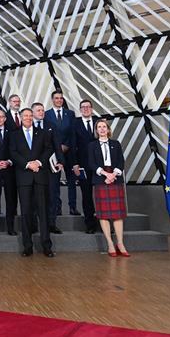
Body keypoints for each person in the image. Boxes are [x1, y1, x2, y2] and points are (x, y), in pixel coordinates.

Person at [11, 107, 55, 257]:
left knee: (43, 212)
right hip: (24, 178)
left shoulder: (42, 133)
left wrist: (38, 162)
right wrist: (28, 164)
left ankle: (46, 246)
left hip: (40, 176)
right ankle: (27, 246)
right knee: (25, 213)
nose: (28, 118)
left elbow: (49, 149)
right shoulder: (14, 134)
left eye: (30, 115)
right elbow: (13, 153)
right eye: (26, 116)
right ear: (21, 117)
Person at [88, 118, 129, 257]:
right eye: (99, 127)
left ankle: (120, 243)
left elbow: (120, 161)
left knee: (118, 215)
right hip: (100, 180)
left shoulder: (115, 144)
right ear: (96, 130)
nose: (102, 129)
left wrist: (113, 175)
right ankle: (110, 244)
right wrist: (105, 174)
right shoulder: (92, 145)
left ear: (108, 129)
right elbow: (91, 163)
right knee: (103, 214)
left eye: (104, 126)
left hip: (115, 180)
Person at [44, 90, 75, 223]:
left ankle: (72, 206)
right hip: (54, 153)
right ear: (52, 100)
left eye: (61, 98)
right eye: (56, 98)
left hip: (68, 150)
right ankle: (57, 206)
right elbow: (47, 134)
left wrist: (66, 145)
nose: (59, 100)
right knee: (54, 182)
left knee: (71, 179)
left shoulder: (70, 114)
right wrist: (57, 148)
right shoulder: (46, 114)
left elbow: (73, 132)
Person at [33, 101, 62, 235]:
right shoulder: (28, 126)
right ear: (32, 112)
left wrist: (61, 161)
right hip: (35, 167)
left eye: (42, 110)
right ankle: (34, 225)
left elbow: (57, 145)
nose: (41, 112)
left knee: (52, 195)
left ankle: (52, 224)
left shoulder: (51, 126)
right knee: (35, 196)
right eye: (38, 110)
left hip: (51, 166)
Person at [72, 99, 99, 233]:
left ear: (92, 109)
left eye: (88, 107)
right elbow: (72, 145)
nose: (86, 109)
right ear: (80, 110)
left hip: (100, 167)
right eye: (83, 107)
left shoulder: (99, 123)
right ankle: (90, 225)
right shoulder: (75, 124)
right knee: (87, 196)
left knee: (101, 195)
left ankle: (104, 223)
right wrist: (75, 164)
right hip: (83, 166)